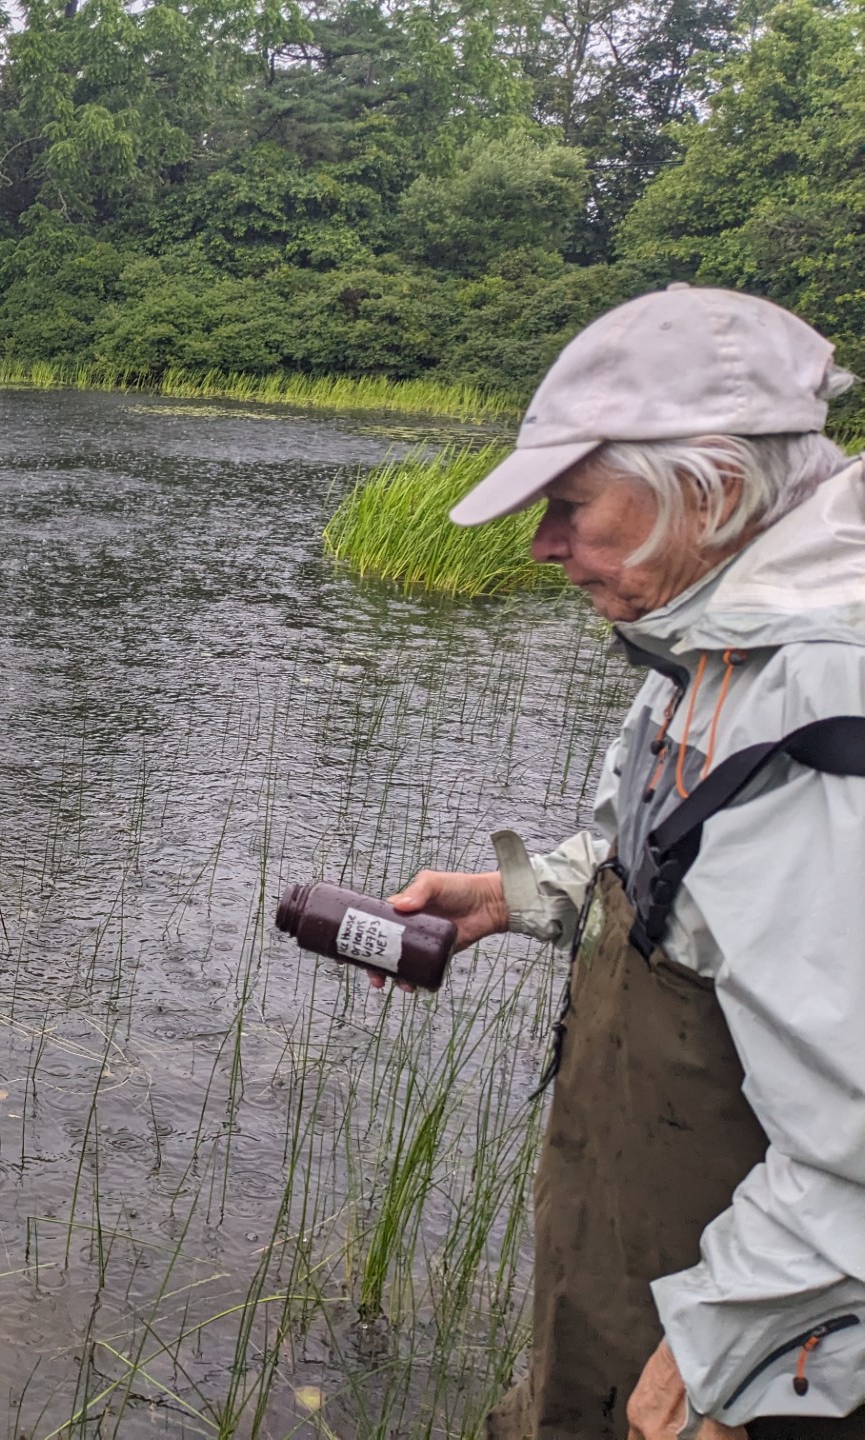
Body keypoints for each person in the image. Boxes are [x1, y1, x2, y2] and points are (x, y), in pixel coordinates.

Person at [385, 285, 865, 1440]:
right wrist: (515, 896)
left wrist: (717, 1356)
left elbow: (856, 1136)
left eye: (570, 504)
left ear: (709, 490)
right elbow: (657, 863)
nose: (544, 544)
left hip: (756, 1353)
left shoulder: (828, 703)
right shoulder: (705, 638)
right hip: (638, 1262)